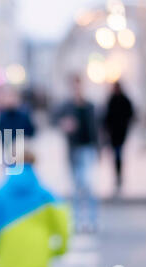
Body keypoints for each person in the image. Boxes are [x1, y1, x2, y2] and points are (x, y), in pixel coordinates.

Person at [0, 152, 72, 267]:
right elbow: (62, 225)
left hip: (8, 250)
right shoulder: (46, 195)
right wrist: (59, 250)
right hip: (38, 251)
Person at [55, 75, 99, 233]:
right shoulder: (66, 106)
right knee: (75, 188)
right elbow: (53, 119)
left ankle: (92, 221)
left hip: (87, 149)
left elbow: (95, 129)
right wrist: (64, 124)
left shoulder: (89, 106)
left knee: (87, 186)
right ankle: (76, 221)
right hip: (73, 149)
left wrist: (98, 149)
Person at [103, 82, 135, 191]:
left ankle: (119, 176)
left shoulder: (124, 100)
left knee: (118, 155)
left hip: (120, 133)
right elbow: (106, 117)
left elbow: (131, 114)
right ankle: (117, 176)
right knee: (116, 156)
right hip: (113, 134)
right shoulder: (111, 99)